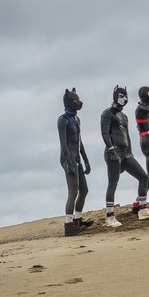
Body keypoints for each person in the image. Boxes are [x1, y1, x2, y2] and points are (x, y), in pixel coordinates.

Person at [101, 85, 149, 226]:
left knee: (143, 177)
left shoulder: (124, 116)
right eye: (121, 96)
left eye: (126, 96)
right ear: (115, 97)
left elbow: (127, 135)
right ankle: (109, 216)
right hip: (113, 152)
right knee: (113, 182)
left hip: (126, 153)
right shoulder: (107, 113)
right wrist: (110, 149)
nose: (124, 99)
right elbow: (104, 133)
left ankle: (143, 208)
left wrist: (130, 152)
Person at [58, 88, 93, 237]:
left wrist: (85, 159)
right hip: (68, 159)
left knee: (84, 190)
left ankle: (77, 219)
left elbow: (79, 141)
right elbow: (63, 144)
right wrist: (70, 163)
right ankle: (68, 224)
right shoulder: (63, 120)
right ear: (69, 102)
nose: (79, 103)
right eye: (75, 100)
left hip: (77, 158)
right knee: (73, 191)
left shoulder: (76, 119)